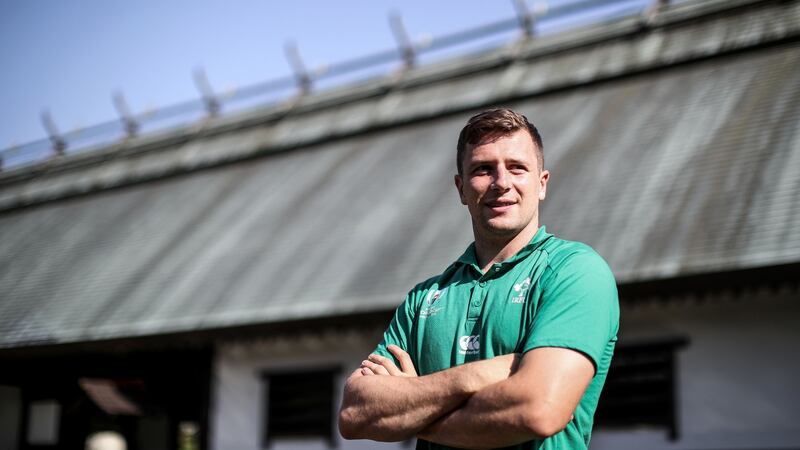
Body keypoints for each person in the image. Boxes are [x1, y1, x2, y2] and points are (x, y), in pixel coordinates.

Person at [338, 108, 619, 449]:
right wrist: (477, 376)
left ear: (541, 183)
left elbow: (538, 410)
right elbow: (354, 414)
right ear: (460, 188)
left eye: (517, 167)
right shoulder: (424, 298)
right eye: (483, 170)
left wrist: (408, 411)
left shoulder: (574, 271)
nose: (502, 182)